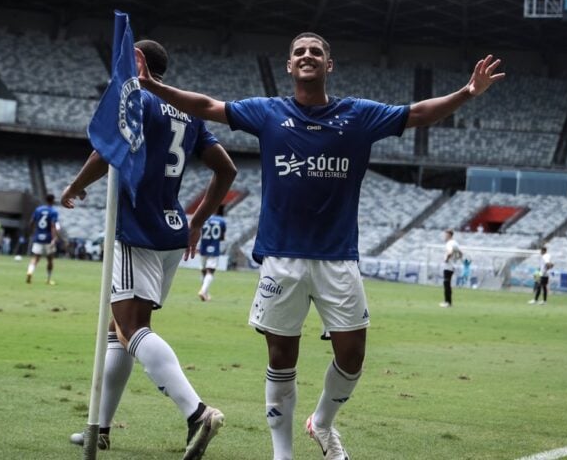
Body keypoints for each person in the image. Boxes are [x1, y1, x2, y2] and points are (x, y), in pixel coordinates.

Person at [135, 32, 504, 460]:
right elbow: (206, 107)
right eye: (299, 52)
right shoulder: (267, 112)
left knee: (352, 356)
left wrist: (467, 92)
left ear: (329, 66)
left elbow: (417, 114)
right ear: (290, 66)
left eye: (316, 52)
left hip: (338, 258)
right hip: (281, 257)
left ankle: (323, 423)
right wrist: (155, 88)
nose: (307, 55)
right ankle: (282, 454)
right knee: (281, 357)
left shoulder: (359, 116)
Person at [64, 39, 236, 459]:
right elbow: (226, 169)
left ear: (138, 62)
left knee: (131, 327)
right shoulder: (186, 110)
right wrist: (196, 222)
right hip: (172, 229)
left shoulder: (135, 98)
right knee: (116, 333)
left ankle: (197, 413)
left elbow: (105, 153)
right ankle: (100, 428)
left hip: (135, 228)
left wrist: (75, 186)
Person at [26, 194, 59, 285]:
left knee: (35, 257)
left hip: (38, 237)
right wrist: (54, 237)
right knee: (50, 259)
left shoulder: (38, 210)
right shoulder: (53, 211)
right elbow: (53, 226)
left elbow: (32, 222)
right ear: (53, 200)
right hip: (48, 238)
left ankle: (30, 272)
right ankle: (48, 279)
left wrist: (32, 232)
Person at [197, 205, 227, 301]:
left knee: (203, 271)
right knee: (210, 271)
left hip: (203, 247)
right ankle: (203, 291)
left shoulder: (204, 219)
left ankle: (205, 293)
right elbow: (222, 237)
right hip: (214, 248)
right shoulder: (221, 221)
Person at [442, 229, 462, 307]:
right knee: (448, 283)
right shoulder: (455, 243)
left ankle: (447, 302)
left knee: (446, 283)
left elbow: (450, 252)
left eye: (445, 235)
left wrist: (447, 259)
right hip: (452, 266)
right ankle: (448, 302)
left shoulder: (449, 243)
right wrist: (456, 260)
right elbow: (460, 253)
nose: (444, 236)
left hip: (448, 266)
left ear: (449, 235)